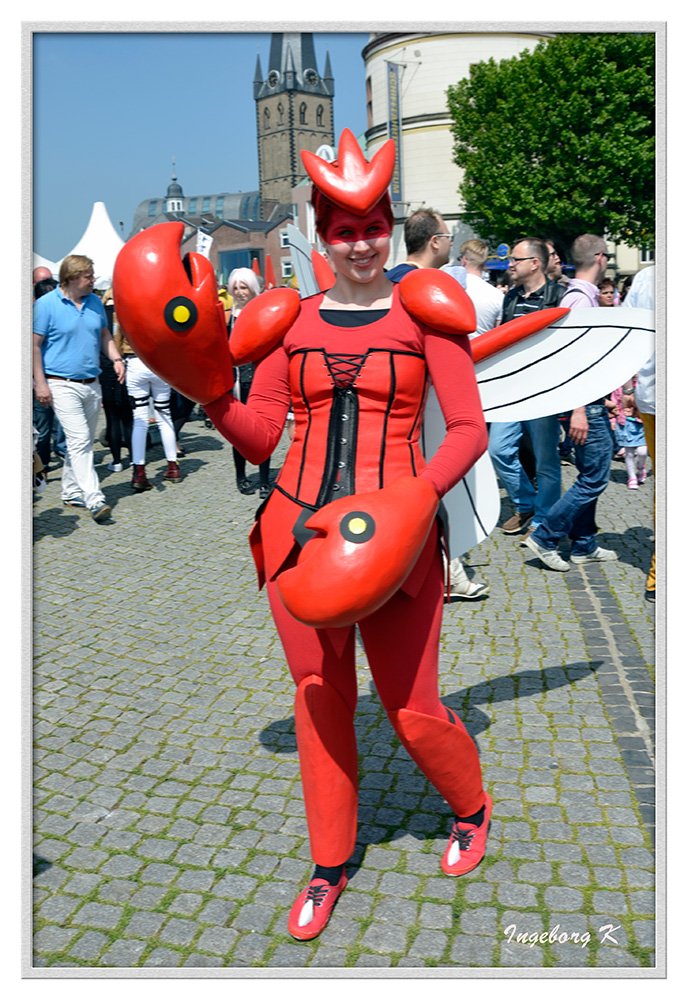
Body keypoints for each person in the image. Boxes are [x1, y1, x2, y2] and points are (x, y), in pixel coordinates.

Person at [113, 129, 493, 942]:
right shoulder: (289, 321)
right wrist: (210, 388)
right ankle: (328, 866)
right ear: (322, 233)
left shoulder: (428, 313)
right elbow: (259, 435)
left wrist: (418, 497)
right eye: (343, 227)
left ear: (389, 226)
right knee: (322, 701)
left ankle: (471, 809)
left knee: (414, 708)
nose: (360, 241)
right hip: (297, 537)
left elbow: (467, 428)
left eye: (372, 224)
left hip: (398, 541)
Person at [525, 234, 618, 571]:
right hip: (584, 406)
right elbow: (573, 359)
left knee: (591, 472)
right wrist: (578, 409)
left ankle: (583, 544)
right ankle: (546, 535)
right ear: (599, 257)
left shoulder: (582, 296)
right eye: (606, 254)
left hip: (589, 404)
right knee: (593, 477)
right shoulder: (580, 300)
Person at [33, 254, 126, 522]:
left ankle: (71, 491)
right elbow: (34, 346)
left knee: (81, 440)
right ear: (73, 278)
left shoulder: (95, 301)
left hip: (91, 383)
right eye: (89, 276)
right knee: (79, 440)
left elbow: (104, 335)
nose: (93, 280)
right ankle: (94, 498)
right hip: (61, 384)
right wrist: (40, 383)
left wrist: (116, 359)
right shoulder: (46, 305)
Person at [487, 237, 566, 540]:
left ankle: (543, 519)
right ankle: (526, 503)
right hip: (511, 389)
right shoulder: (512, 297)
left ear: (534, 263)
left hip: (542, 392)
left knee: (546, 460)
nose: (509, 265)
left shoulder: (559, 295)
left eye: (515, 260)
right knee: (498, 450)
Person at [621, 265, 656, 602]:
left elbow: (627, 334)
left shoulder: (647, 277)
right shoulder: (646, 278)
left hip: (652, 396)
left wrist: (628, 386)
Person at [227, 268, 273, 499]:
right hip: (236, 381)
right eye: (236, 287)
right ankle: (241, 476)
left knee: (262, 431)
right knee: (239, 433)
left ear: (253, 288)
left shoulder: (261, 311)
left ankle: (264, 480)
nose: (239, 292)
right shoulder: (229, 315)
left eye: (243, 287)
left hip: (259, 378)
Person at [125, 334, 181, 492]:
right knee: (164, 416)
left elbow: (117, 337)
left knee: (139, 420)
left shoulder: (124, 309)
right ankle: (173, 466)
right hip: (159, 361)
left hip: (135, 361)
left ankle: (139, 471)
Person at [32, 277, 67, 471]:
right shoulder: (33, 320)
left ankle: (63, 453)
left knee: (63, 424)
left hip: (61, 379)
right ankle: (42, 465)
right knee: (43, 429)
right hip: (40, 381)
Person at [99, 289, 133, 472]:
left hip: (106, 368)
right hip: (127, 365)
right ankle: (136, 459)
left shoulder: (100, 313)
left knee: (111, 418)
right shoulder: (128, 312)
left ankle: (117, 461)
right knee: (129, 417)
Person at [385, 209, 452, 281]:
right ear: (435, 242)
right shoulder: (427, 285)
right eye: (448, 237)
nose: (451, 243)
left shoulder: (384, 281)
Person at [457, 238, 504, 338]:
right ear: (485, 262)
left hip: (456, 349)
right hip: (484, 349)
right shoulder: (497, 295)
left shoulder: (451, 287)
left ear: (464, 260)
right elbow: (499, 332)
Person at [611, 380, 647, 488]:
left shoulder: (644, 385)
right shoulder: (619, 387)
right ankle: (632, 477)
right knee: (629, 453)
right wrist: (612, 420)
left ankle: (641, 467)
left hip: (641, 423)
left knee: (642, 452)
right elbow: (614, 403)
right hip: (625, 424)